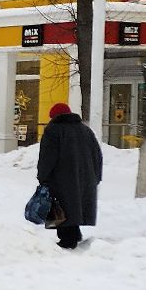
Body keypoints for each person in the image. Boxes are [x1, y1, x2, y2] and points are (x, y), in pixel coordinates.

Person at [36, 102, 101, 250]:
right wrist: (96, 176)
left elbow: (47, 156)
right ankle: (75, 234)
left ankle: (67, 239)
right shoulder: (86, 130)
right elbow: (97, 155)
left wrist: (43, 176)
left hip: (61, 178)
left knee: (61, 207)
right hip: (86, 178)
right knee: (74, 206)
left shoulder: (53, 130)